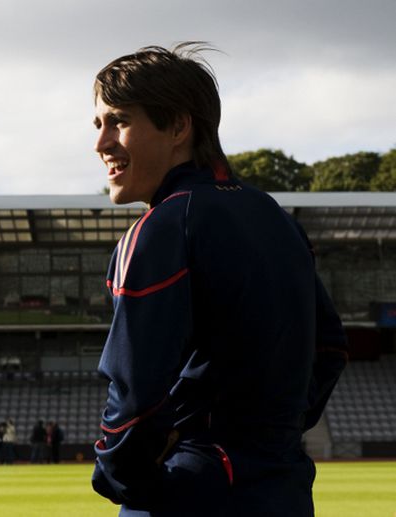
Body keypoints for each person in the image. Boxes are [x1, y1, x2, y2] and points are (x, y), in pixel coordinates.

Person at [90, 43, 348, 517]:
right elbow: (330, 349)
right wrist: (271, 436)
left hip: (194, 487)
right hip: (284, 486)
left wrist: (120, 476)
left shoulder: (163, 228)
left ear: (179, 127)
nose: (100, 142)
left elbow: (134, 397)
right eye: (98, 124)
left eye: (119, 121)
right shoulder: (274, 216)